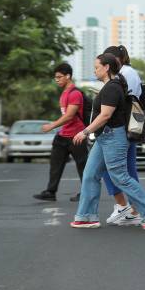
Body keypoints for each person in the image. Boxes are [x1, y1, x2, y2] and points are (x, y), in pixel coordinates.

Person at [70, 53, 145, 229]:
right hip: (104, 137)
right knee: (90, 175)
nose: (94, 70)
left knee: (120, 177)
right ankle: (86, 216)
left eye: (97, 67)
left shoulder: (113, 87)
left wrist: (85, 131)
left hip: (113, 136)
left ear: (106, 68)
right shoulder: (110, 86)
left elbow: (105, 115)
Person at [98, 45, 145, 225]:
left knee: (116, 170)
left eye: (108, 59)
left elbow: (116, 101)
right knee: (126, 170)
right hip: (127, 126)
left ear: (116, 59)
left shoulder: (123, 75)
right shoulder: (130, 73)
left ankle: (129, 206)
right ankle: (134, 208)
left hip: (120, 127)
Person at [33, 63, 88, 203]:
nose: (56, 80)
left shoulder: (75, 93)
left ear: (68, 76)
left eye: (59, 77)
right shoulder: (64, 93)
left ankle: (86, 193)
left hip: (77, 136)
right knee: (55, 164)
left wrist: (52, 125)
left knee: (83, 167)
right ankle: (50, 192)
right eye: (55, 77)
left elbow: (69, 116)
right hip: (63, 136)